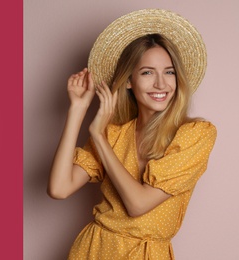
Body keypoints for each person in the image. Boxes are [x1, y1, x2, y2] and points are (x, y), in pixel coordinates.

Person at [48, 9, 216, 259]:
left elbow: (138, 204)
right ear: (129, 81)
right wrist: (78, 110)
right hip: (93, 250)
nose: (161, 84)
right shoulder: (114, 134)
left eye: (169, 72)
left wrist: (98, 136)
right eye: (147, 72)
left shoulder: (196, 134)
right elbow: (59, 188)